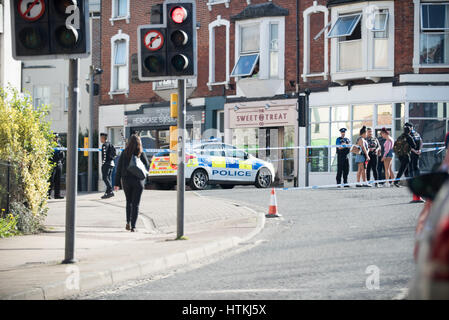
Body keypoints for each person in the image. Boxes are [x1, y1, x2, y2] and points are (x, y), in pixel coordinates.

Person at [114, 134, 150, 232]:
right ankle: (133, 226)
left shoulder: (124, 153)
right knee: (136, 204)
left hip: (126, 181)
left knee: (128, 202)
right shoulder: (141, 153)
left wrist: (116, 183)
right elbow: (147, 166)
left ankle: (128, 222)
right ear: (139, 143)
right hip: (138, 181)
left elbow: (119, 169)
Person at [100, 133, 117, 199]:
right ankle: (107, 193)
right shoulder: (110, 144)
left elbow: (104, 156)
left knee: (105, 178)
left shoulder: (104, 145)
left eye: (101, 138)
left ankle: (110, 191)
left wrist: (103, 163)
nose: (100, 139)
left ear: (103, 138)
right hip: (112, 163)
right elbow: (115, 154)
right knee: (108, 178)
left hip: (106, 164)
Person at [48, 133, 65, 199]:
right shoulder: (50, 145)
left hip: (59, 164)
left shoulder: (60, 144)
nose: (56, 138)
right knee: (51, 180)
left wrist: (61, 162)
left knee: (58, 180)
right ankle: (48, 195)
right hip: (52, 163)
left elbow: (63, 154)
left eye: (57, 137)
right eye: (55, 137)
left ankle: (57, 195)